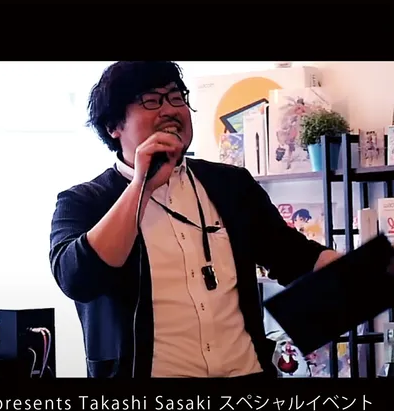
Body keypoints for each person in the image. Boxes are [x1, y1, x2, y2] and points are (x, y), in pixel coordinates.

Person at [48, 61, 342, 379]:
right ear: (113, 126)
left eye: (177, 97)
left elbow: (294, 258)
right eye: (151, 100)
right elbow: (78, 279)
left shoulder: (231, 184)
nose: (170, 110)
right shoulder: (84, 201)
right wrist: (141, 186)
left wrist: (369, 269)